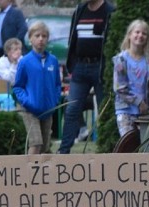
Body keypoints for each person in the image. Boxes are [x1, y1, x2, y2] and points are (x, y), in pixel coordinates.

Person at [57, 0, 115, 154]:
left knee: (104, 110)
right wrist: (73, 65)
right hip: (80, 68)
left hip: (100, 68)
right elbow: (73, 39)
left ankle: (106, 149)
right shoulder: (79, 10)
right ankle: (63, 151)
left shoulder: (109, 11)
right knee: (71, 109)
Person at [13, 21, 62, 155]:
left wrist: (54, 101)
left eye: (44, 36)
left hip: (48, 109)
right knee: (36, 142)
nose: (41, 39)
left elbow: (57, 84)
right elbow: (18, 87)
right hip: (29, 109)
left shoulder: (53, 61)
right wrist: (27, 102)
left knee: (45, 147)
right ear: (30, 39)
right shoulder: (25, 61)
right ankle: (29, 174)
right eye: (37, 35)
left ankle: (44, 174)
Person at [112, 20, 149, 137]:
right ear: (130, 35)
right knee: (130, 145)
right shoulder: (120, 60)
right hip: (126, 111)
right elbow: (119, 88)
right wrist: (138, 102)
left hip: (144, 112)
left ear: (147, 38)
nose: (140, 35)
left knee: (145, 146)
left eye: (144, 33)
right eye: (137, 32)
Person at [0, 0, 27, 65]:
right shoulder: (0, 14)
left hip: (9, 54)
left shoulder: (16, 13)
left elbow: (23, 29)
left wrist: (14, 44)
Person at [0, 37, 22, 109]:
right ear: (8, 51)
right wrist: (14, 63)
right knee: (8, 99)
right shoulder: (1, 61)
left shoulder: (22, 59)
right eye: (16, 49)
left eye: (20, 49)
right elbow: (9, 80)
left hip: (15, 89)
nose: (19, 51)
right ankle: (9, 118)